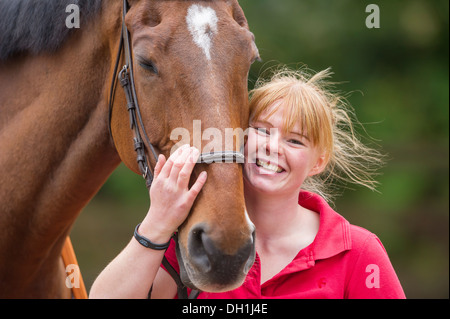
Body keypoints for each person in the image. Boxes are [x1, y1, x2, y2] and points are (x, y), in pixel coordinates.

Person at [90, 67, 405, 299]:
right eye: (263, 131)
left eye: (295, 141)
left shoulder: (358, 253)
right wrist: (157, 222)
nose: (272, 147)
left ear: (317, 162)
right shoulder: (199, 236)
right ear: (239, 136)